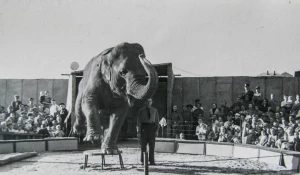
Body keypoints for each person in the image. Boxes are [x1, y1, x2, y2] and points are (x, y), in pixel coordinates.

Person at [137, 98, 159, 165]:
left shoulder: (155, 110)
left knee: (152, 146)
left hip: (152, 128)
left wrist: (157, 130)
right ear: (145, 102)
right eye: (147, 101)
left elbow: (157, 121)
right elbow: (139, 122)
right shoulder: (141, 111)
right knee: (143, 145)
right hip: (144, 128)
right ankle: (143, 160)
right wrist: (139, 132)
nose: (149, 102)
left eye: (150, 101)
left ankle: (152, 161)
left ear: (152, 102)